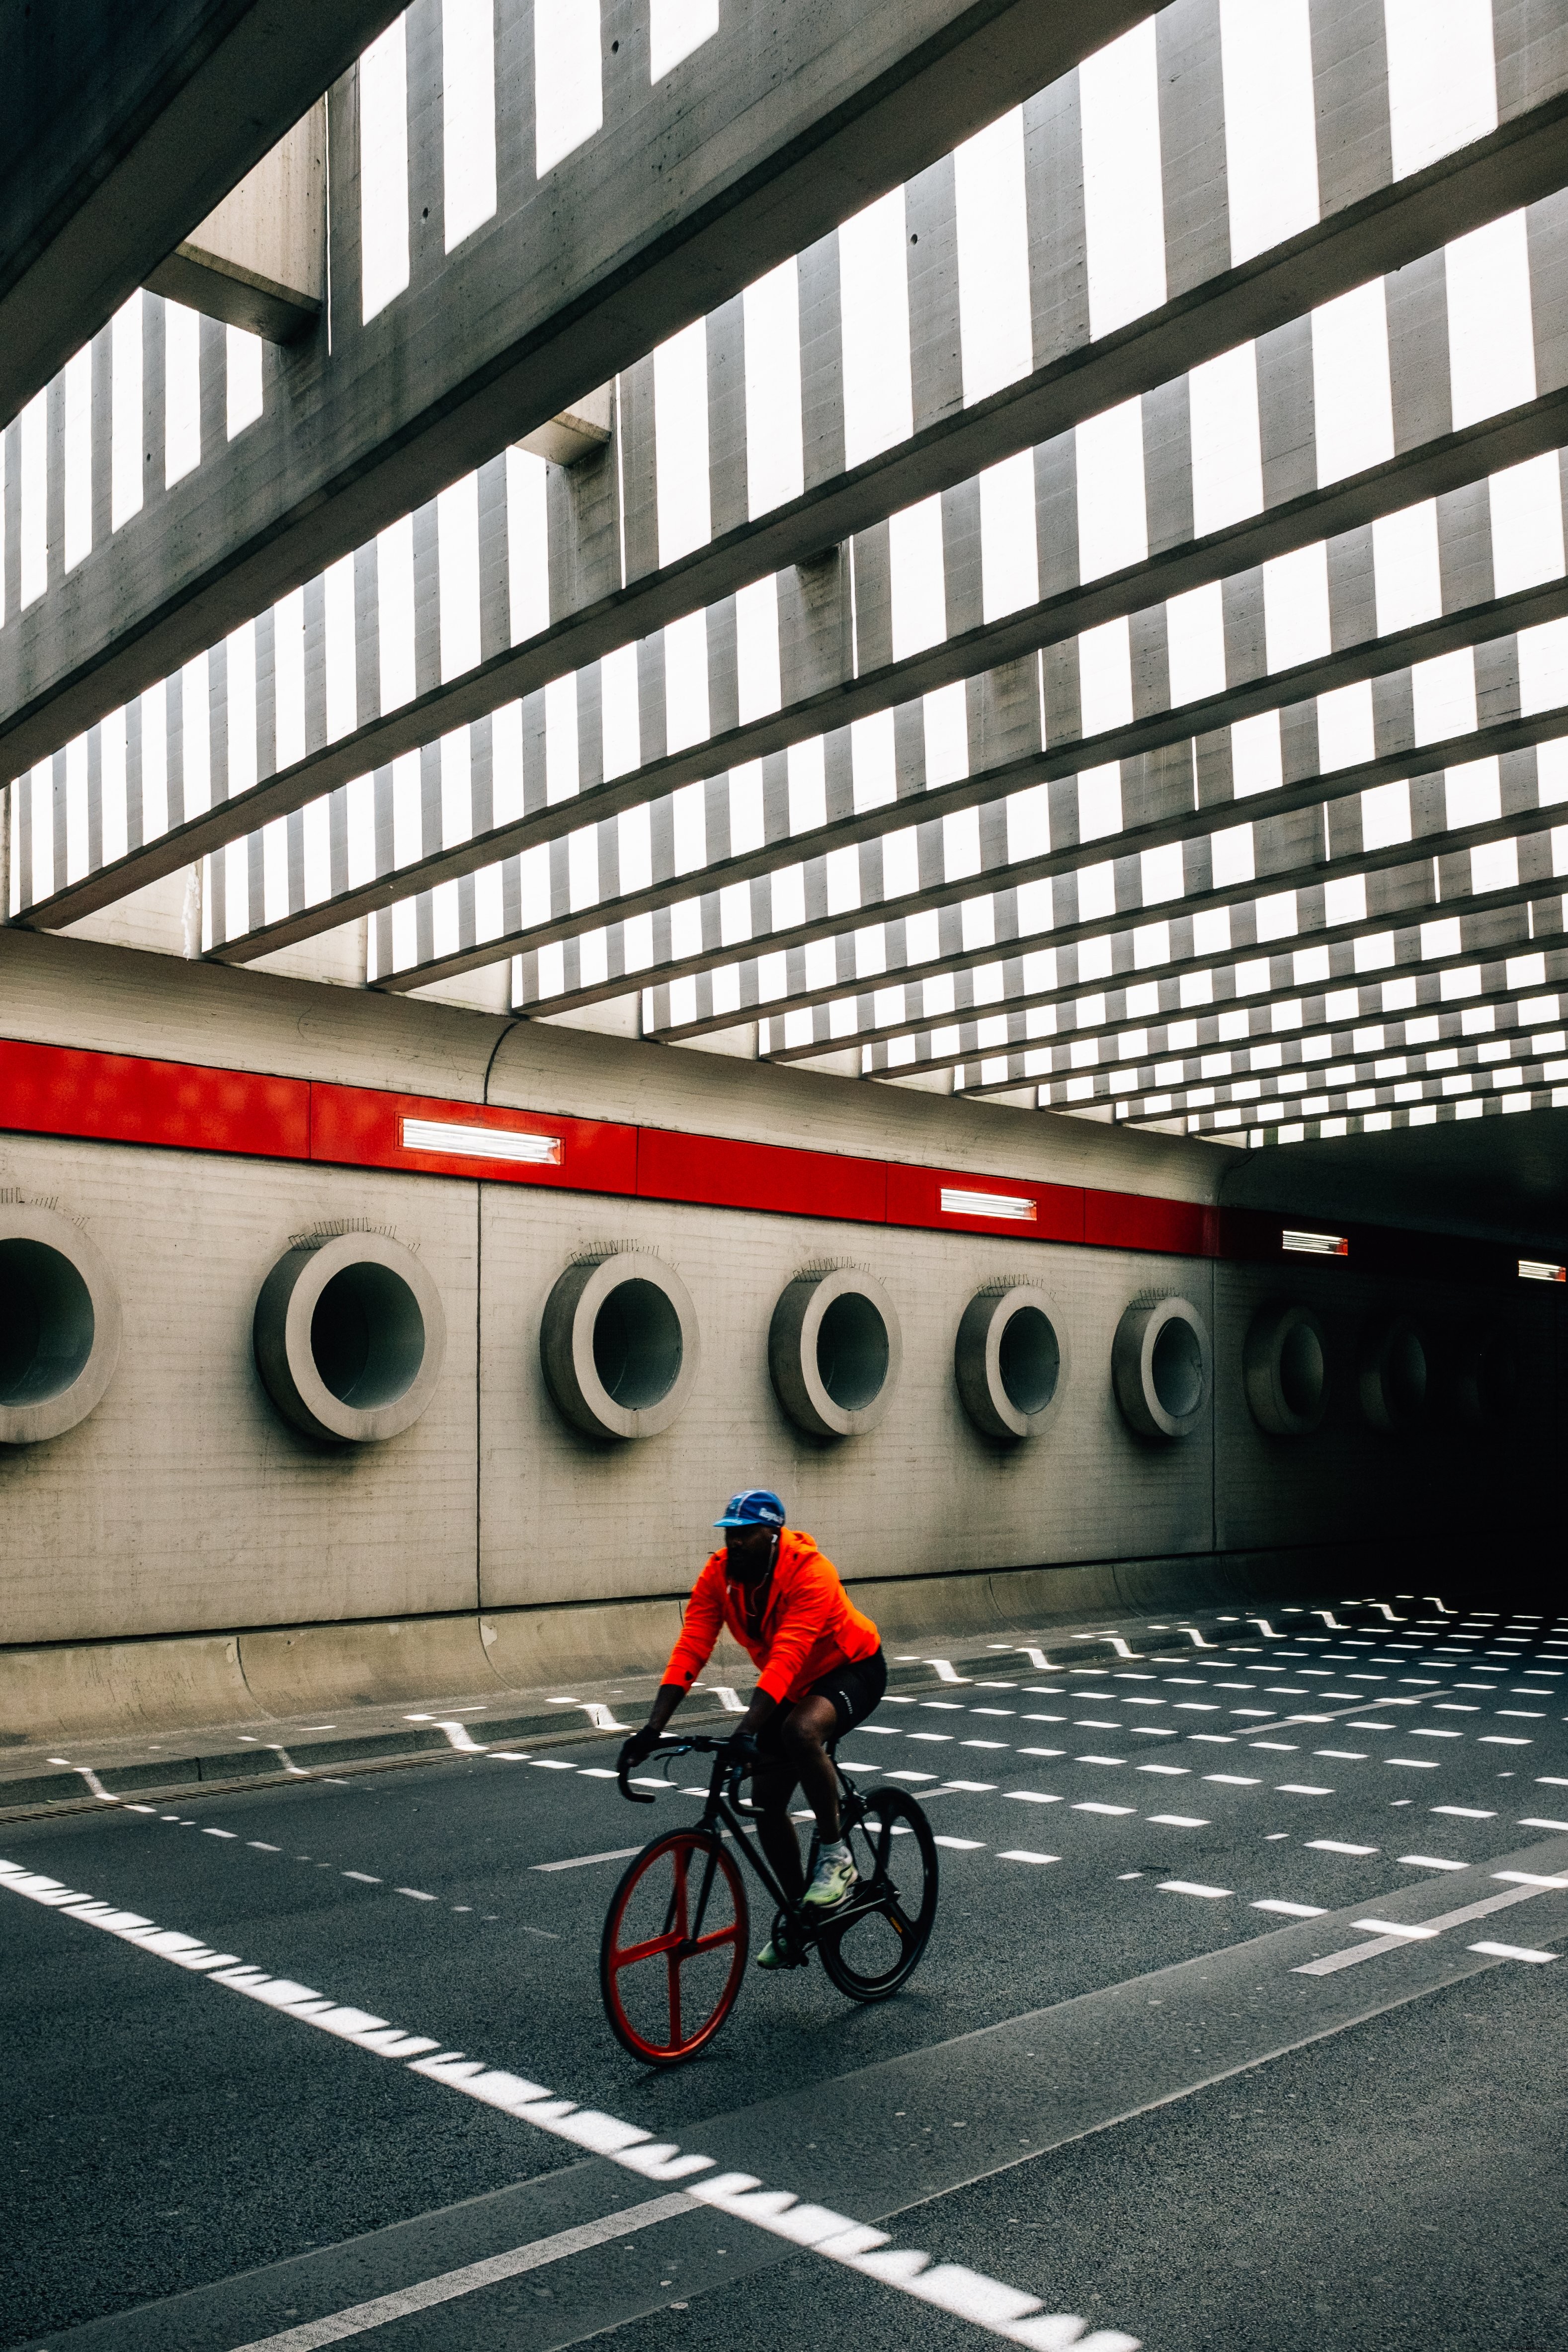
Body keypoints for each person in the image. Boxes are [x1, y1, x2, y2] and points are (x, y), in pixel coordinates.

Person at [620, 1490, 886, 1967]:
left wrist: (746, 1729)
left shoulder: (810, 1571)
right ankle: (802, 1915)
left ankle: (835, 1856)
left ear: (773, 1535)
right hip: (792, 1682)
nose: (734, 1543)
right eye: (729, 1532)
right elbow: (692, 1646)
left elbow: (788, 1653)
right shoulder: (719, 1573)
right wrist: (652, 1728)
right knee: (766, 1802)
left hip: (851, 1667)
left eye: (745, 1533)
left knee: (801, 1733)